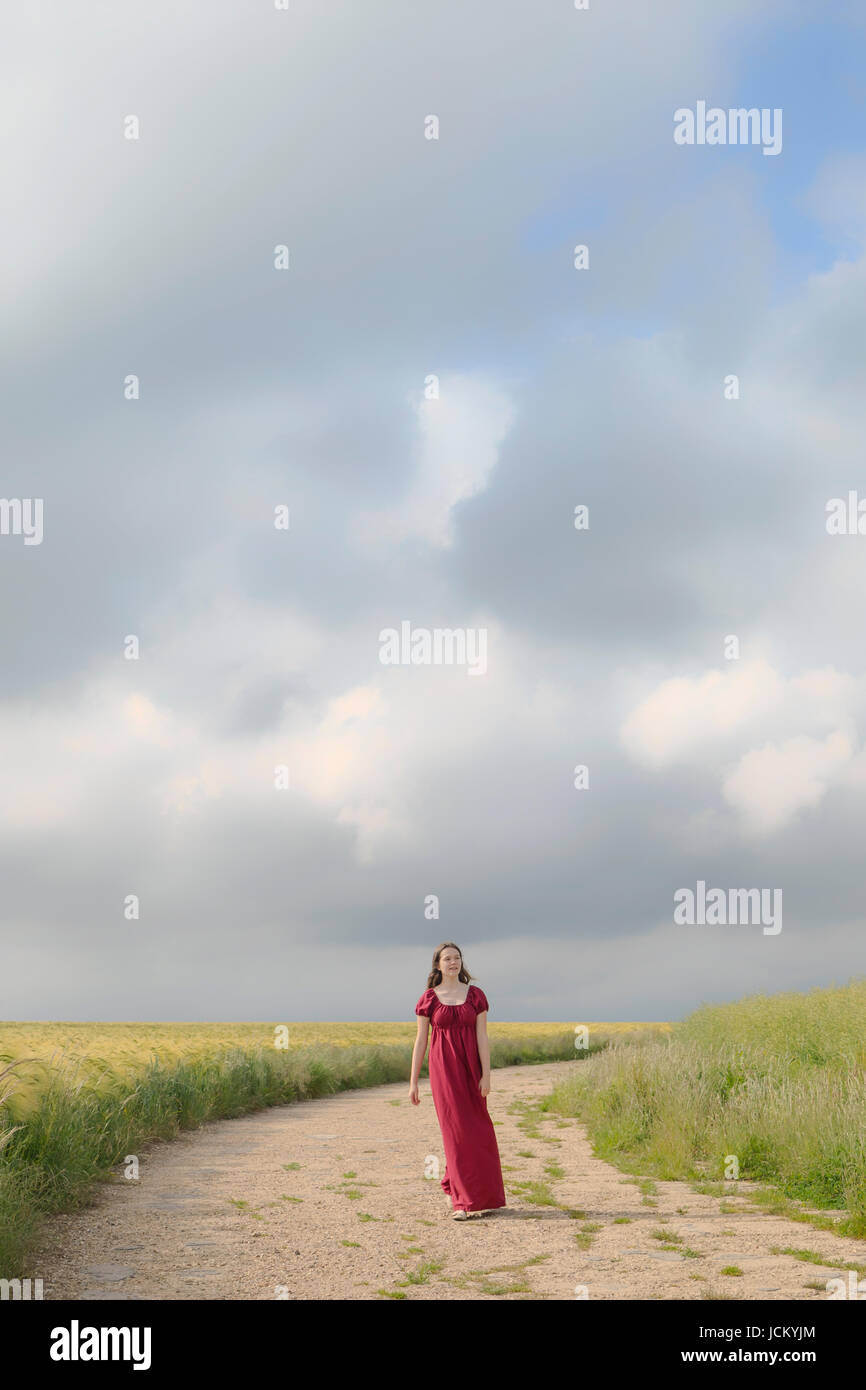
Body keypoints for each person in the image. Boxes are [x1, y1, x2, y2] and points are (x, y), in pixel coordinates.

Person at [409, 941, 506, 1220]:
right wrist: (413, 1081)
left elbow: (482, 1038)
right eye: (447, 958)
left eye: (457, 958)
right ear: (437, 965)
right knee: (455, 1131)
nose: (453, 962)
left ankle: (480, 1193)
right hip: (443, 1072)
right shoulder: (429, 998)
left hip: (471, 1069)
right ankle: (463, 1202)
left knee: (479, 1131)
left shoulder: (476, 996)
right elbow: (420, 1041)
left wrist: (486, 1074)